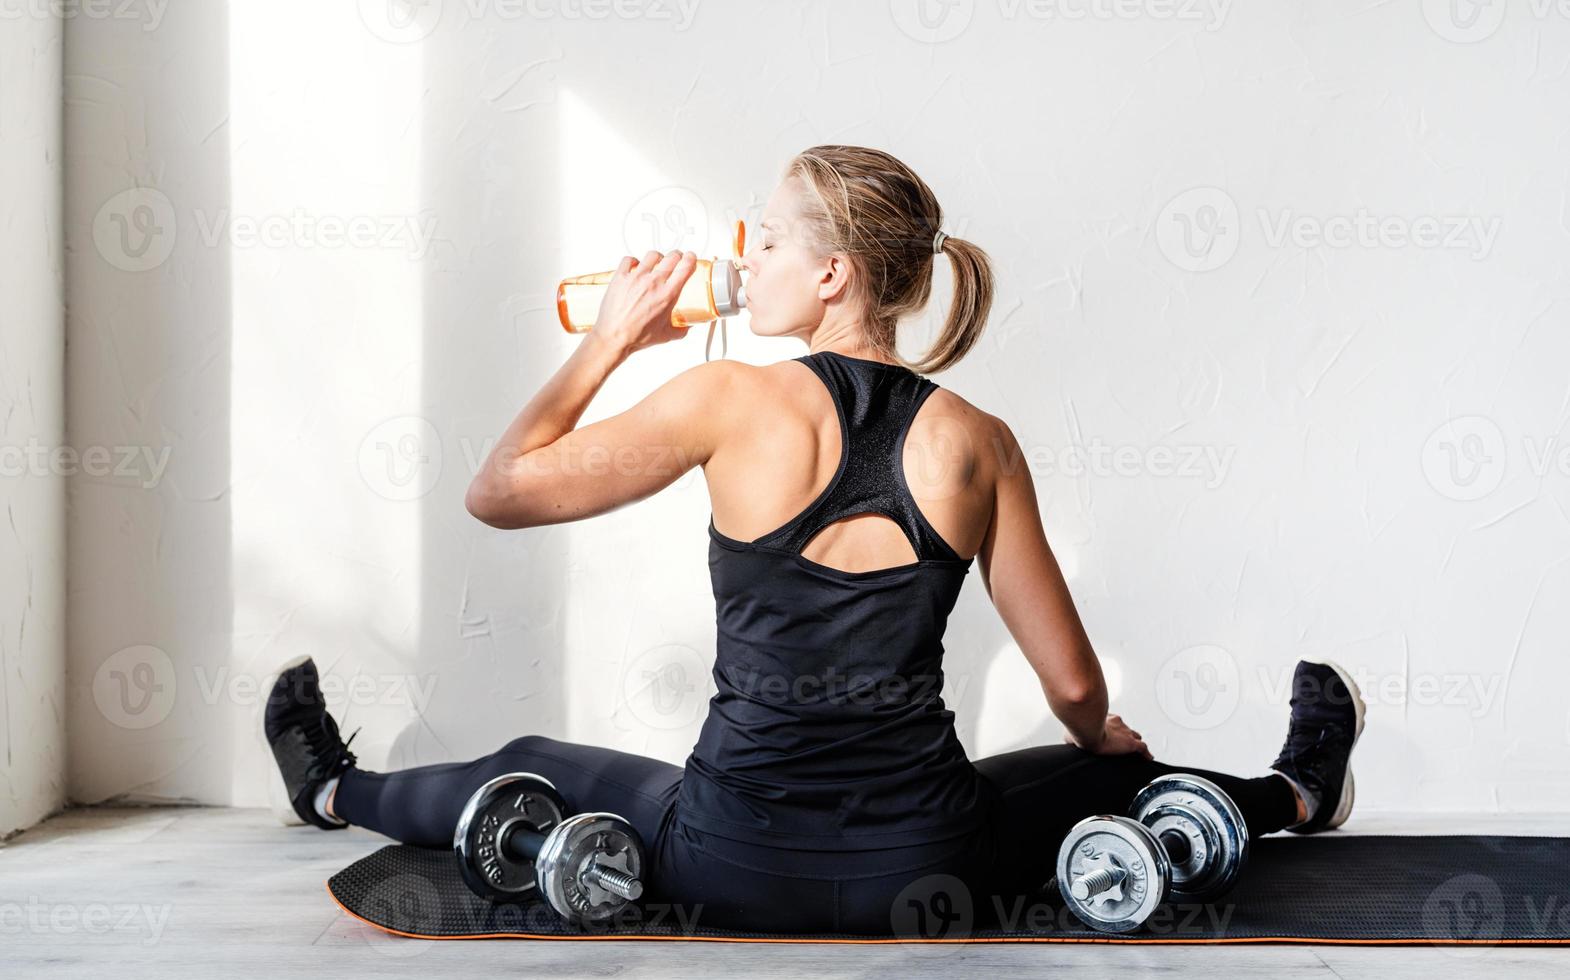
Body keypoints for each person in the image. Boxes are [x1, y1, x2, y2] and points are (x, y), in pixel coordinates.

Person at [265, 144, 1366, 936]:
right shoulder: (978, 440)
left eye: (773, 239)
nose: (750, 260)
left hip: (725, 863)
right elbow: (1074, 684)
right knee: (1104, 769)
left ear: (833, 273)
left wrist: (608, 344)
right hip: (928, 869)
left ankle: (328, 789)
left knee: (530, 766)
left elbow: (496, 491)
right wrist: (1101, 743)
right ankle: (1301, 790)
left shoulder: (725, 398)